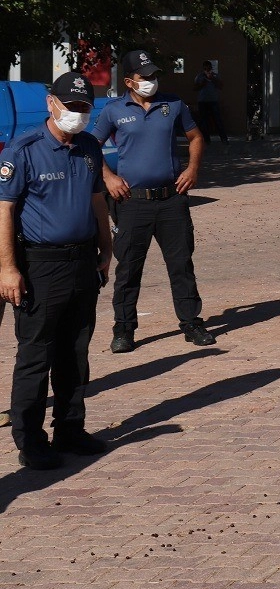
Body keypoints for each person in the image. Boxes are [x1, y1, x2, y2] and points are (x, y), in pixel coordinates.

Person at [0, 72, 112, 469]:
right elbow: (6, 210)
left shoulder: (87, 147)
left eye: (84, 107)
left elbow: (98, 199)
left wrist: (106, 247)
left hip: (82, 261)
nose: (77, 115)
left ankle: (70, 428)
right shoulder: (24, 149)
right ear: (51, 103)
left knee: (75, 351)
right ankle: (31, 440)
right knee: (36, 355)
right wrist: (8, 268)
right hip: (40, 265)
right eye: (71, 106)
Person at [93, 50, 215, 353]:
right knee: (129, 269)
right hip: (132, 202)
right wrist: (108, 177)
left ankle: (191, 322)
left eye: (153, 75)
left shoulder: (172, 104)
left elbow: (196, 137)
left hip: (171, 199)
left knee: (181, 264)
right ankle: (123, 328)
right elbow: (90, 145)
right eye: (144, 77)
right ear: (129, 81)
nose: (151, 81)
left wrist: (192, 168)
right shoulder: (113, 110)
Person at [193, 60, 227, 144]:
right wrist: (203, 83)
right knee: (204, 121)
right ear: (203, 68)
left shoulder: (215, 76)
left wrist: (213, 79)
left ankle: (224, 139)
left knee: (217, 120)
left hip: (213, 101)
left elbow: (221, 86)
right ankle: (207, 140)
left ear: (211, 68)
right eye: (205, 68)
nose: (207, 70)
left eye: (208, 68)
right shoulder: (199, 76)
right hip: (202, 102)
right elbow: (195, 88)